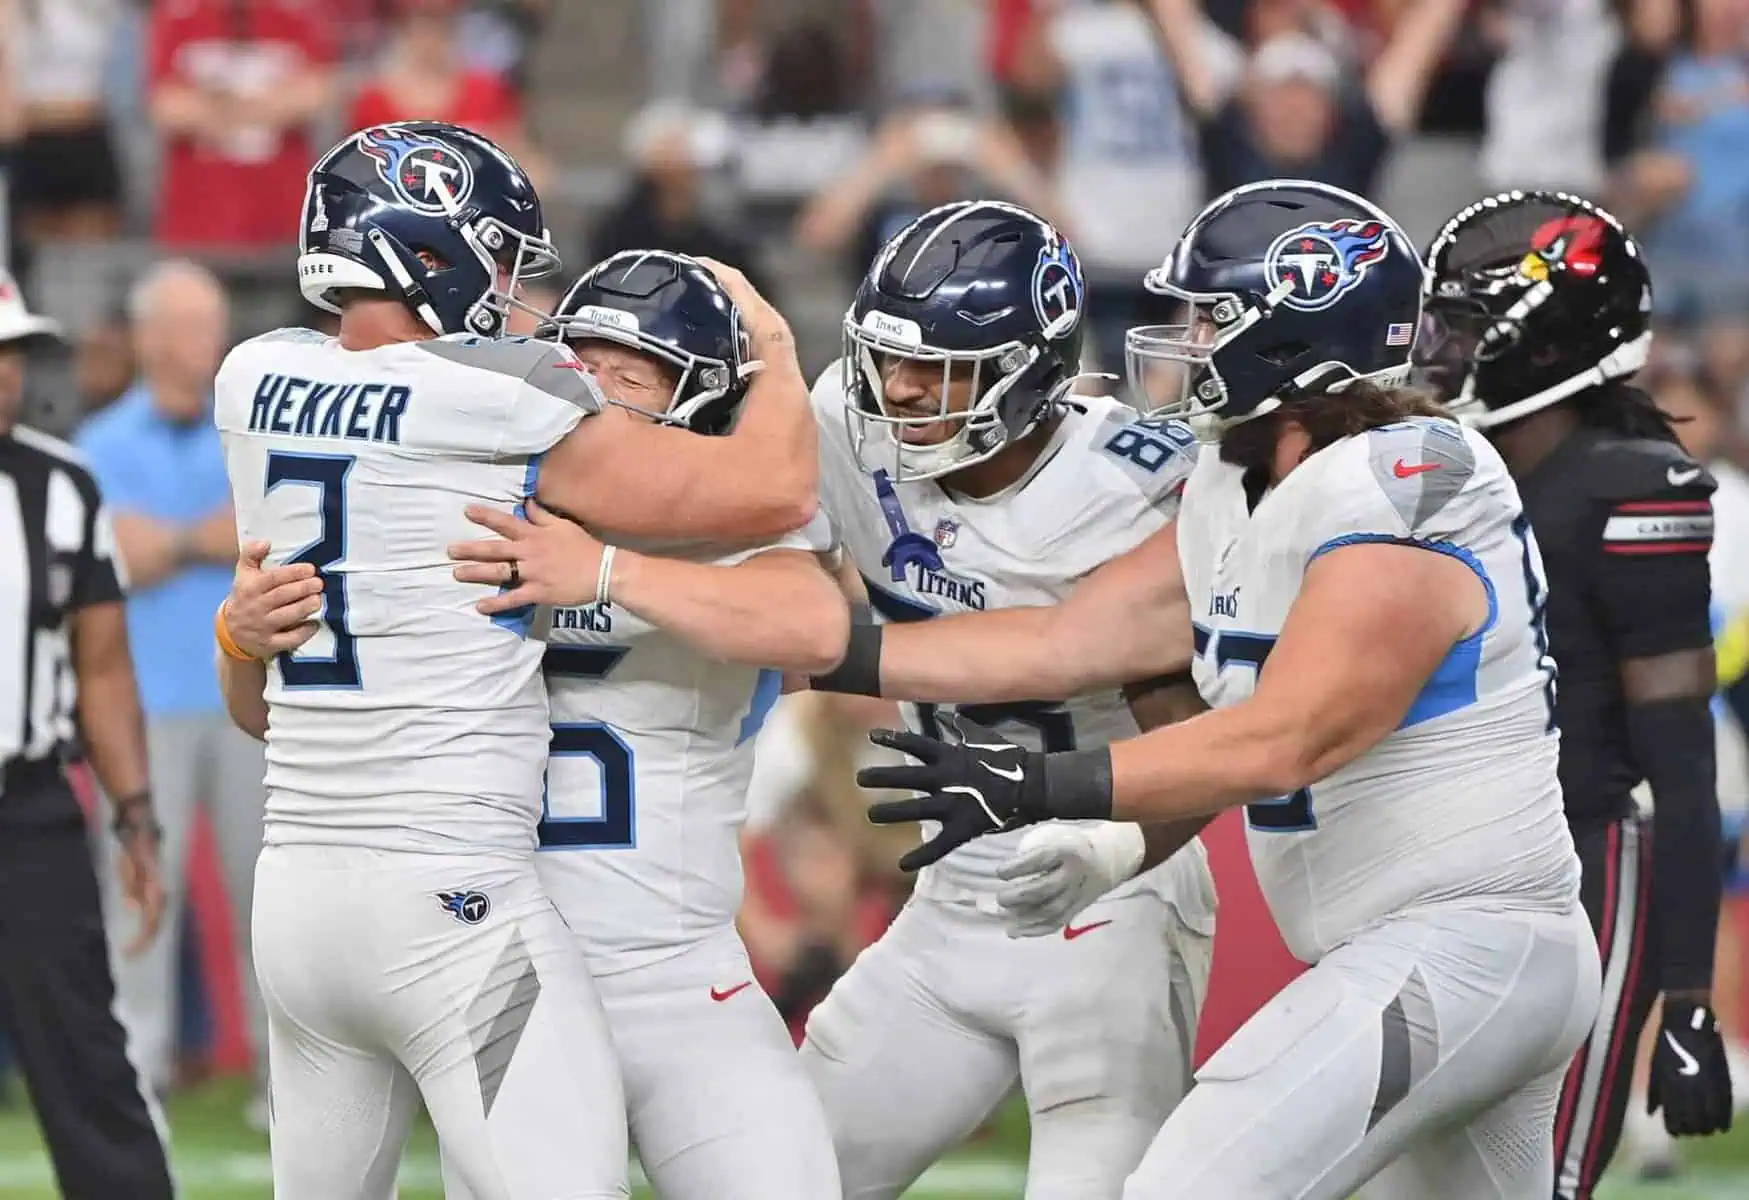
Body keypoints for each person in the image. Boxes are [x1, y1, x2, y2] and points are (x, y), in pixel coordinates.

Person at [838, 181, 1601, 1198]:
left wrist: (1043, 785)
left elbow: (1282, 740)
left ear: (1296, 334)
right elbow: (1068, 642)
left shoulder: (1405, 478)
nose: (1180, 340)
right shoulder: (1226, 482)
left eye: (1206, 318)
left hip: (1466, 942)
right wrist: (802, 651)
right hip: (1409, 952)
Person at [209, 120, 817, 1199]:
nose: (506, 288)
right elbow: (775, 489)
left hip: (298, 903)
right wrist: (769, 336)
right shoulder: (497, 396)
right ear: (429, 252)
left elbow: (271, 685)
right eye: (492, 257)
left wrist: (231, 632)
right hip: (451, 908)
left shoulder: (254, 375)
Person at [800, 199, 1218, 1200]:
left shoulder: (1135, 488)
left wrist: (1112, 845)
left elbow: (1198, 746)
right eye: (888, 360)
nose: (897, 391)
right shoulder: (845, 428)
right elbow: (778, 579)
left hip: (1110, 898)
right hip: (946, 905)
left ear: (1030, 373)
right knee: (777, 1173)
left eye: (937, 370)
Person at [439, 249, 846, 1200]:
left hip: (678, 974)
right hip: (509, 976)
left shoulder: (745, 532)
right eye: (581, 366)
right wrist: (240, 641)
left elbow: (816, 630)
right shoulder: (491, 498)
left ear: (703, 401)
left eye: (632, 375)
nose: (598, 395)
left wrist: (608, 574)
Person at [1417, 190, 1734, 1200]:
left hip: (1578, 868)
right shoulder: (1438, 474)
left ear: (1543, 347)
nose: (1442, 352)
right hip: (1435, 868)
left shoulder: (1631, 490)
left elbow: (1681, 761)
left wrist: (1690, 997)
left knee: (1538, 1184)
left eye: (1467, 329)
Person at [76, 259, 270, 1115]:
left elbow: (254, 542)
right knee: (138, 903)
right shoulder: (98, 445)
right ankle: (135, 1079)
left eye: (215, 324)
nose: (208, 344)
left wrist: (170, 541)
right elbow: (116, 559)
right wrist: (209, 538)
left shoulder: (255, 436)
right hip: (144, 706)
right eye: (190, 328)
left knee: (272, 904)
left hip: (250, 704)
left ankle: (287, 1080)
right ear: (149, 338)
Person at [0, 268, 171, 1199]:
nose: (3, 376)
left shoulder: (63, 488)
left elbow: (102, 666)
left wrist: (135, 816)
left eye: (11, 356)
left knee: (86, 1060)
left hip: (25, 810)